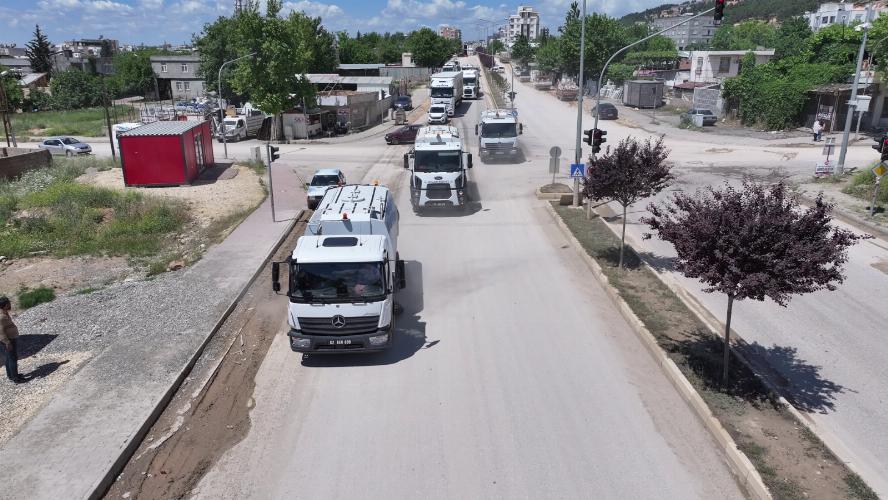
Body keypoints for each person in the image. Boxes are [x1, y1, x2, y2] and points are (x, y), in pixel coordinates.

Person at [0, 296, 26, 384]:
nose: (10, 304)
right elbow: (0, 332)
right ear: (5, 305)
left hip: (10, 339)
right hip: (7, 341)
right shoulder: (1, 317)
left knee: (9, 358)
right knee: (13, 358)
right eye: (8, 303)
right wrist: (7, 342)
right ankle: (16, 378)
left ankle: (11, 375)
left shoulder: (5, 313)